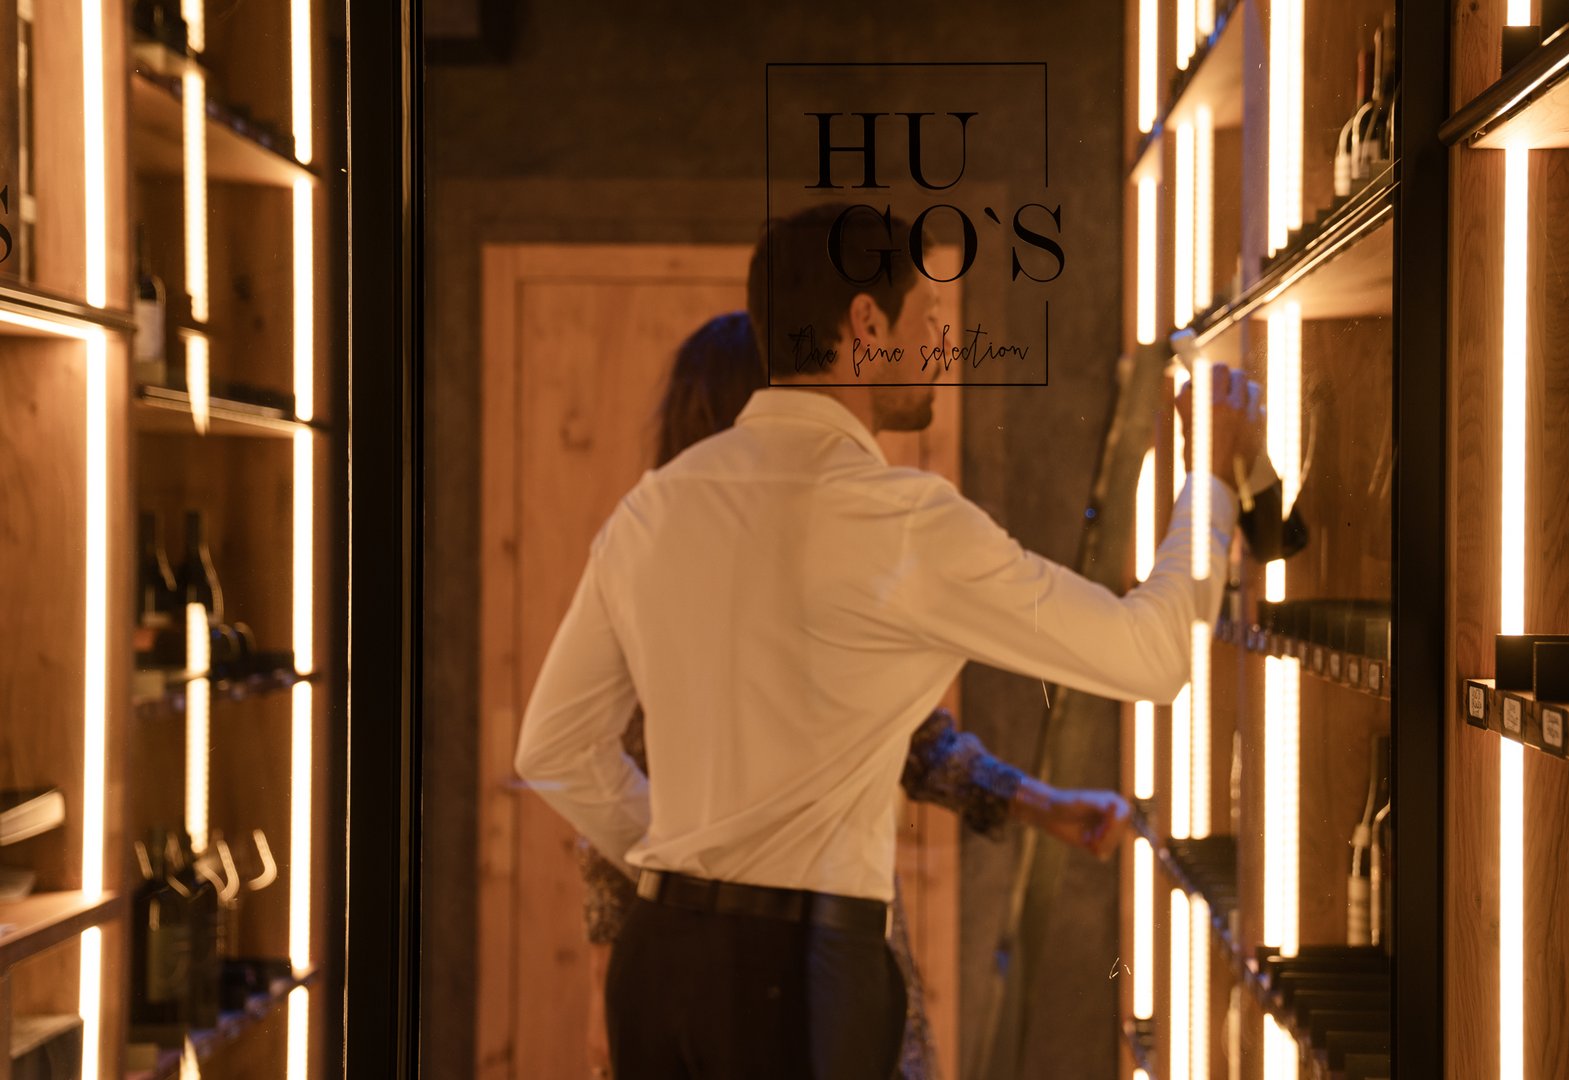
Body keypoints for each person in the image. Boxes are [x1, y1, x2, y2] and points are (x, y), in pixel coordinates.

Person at [516, 202, 1263, 1079]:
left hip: (661, 963)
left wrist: (693, 866)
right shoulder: (902, 519)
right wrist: (1209, 479)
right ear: (866, 325)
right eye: (932, 322)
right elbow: (1153, 654)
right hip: (804, 974)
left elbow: (555, 749)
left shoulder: (654, 506)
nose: (942, 350)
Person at [572, 311, 1133, 1080]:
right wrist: (609, 973)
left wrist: (1035, 801)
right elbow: (603, 782)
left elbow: (912, 740)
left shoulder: (782, 565)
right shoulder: (671, 577)